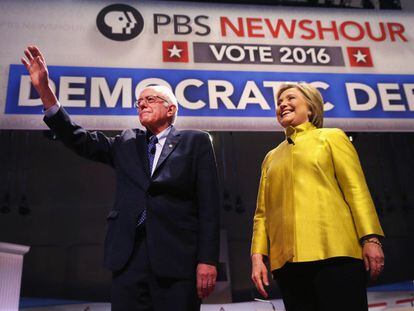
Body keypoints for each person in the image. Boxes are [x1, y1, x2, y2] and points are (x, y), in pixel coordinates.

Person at [21, 45, 220, 311]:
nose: (142, 105)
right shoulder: (127, 142)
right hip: (128, 259)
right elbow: (79, 139)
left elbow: (209, 206)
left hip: (177, 260)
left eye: (150, 99)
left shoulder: (196, 142)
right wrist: (45, 91)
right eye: (139, 102)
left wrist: (207, 260)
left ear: (171, 108)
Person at [251, 82, 384, 311]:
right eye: (279, 102)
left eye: (291, 98)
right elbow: (262, 214)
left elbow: (356, 188)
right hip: (288, 264)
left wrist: (370, 238)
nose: (283, 104)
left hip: (336, 254)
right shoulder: (270, 158)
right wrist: (257, 256)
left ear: (311, 108)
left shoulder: (331, 137)